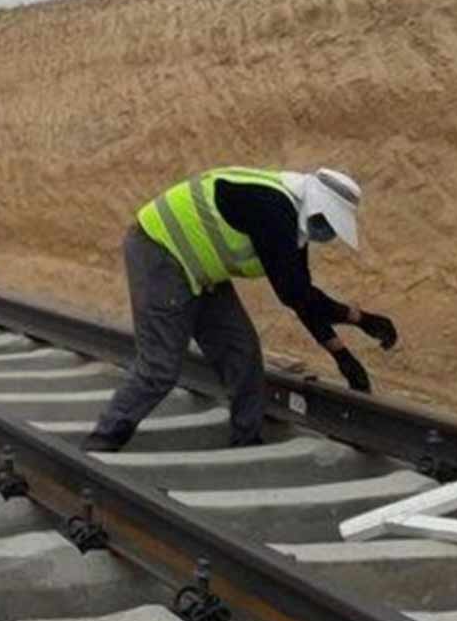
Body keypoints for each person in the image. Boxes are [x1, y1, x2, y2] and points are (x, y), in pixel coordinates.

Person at [82, 167, 399, 453]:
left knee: (242, 352)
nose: (327, 232)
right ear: (315, 207)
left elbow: (302, 297)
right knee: (160, 365)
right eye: (326, 222)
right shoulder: (272, 207)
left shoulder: (292, 220)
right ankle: (104, 439)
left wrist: (342, 357)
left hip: (202, 270)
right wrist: (362, 320)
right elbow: (294, 294)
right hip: (160, 251)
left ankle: (246, 442)